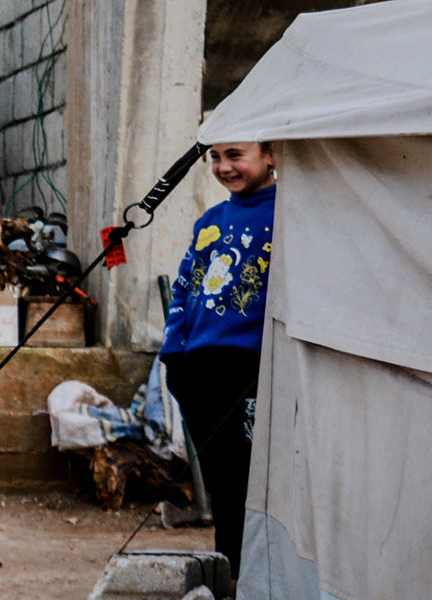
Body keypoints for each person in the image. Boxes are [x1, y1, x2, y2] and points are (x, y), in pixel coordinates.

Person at [162, 141, 277, 575]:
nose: (223, 167)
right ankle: (232, 576)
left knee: (250, 485)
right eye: (215, 157)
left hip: (250, 369)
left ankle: (252, 578)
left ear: (271, 155)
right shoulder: (209, 222)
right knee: (224, 485)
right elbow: (185, 286)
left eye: (235, 155)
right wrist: (176, 359)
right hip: (198, 372)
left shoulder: (289, 216)